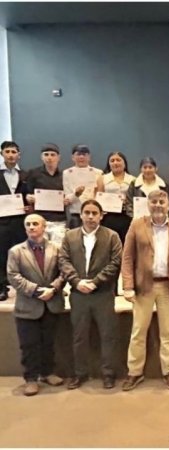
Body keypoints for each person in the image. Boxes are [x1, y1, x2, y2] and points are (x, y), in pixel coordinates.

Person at [121, 190, 169, 391]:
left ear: (168, 205)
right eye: (154, 202)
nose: (158, 205)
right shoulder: (137, 225)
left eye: (162, 201)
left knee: (168, 332)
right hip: (144, 286)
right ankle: (135, 372)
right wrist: (128, 286)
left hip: (168, 286)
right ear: (148, 204)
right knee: (138, 331)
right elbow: (127, 257)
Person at [58, 199, 123, 389]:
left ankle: (108, 374)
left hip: (103, 293)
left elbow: (115, 263)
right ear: (81, 215)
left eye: (95, 213)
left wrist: (95, 282)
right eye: (87, 213)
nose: (90, 216)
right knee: (79, 336)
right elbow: (63, 261)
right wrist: (77, 282)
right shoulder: (69, 237)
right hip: (78, 293)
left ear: (101, 216)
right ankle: (80, 374)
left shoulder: (112, 236)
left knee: (108, 335)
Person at [7, 214, 65, 396]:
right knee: (29, 345)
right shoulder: (16, 251)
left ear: (44, 227)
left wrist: (53, 289)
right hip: (28, 305)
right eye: (28, 224)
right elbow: (13, 276)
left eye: (35, 224)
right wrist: (37, 290)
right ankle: (31, 379)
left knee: (48, 342)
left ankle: (48, 373)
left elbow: (64, 272)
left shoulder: (57, 249)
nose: (31, 227)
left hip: (51, 303)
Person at [0, 141, 29, 302]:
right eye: (7, 152)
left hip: (20, 221)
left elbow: (28, 196)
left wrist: (28, 206)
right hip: (1, 221)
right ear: (2, 154)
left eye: (13, 152)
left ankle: (23, 288)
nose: (11, 155)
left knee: (21, 255)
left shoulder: (25, 175)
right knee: (1, 254)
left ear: (19, 155)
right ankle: (1, 288)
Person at [25, 143, 69, 246]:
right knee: (39, 249)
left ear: (58, 157)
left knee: (58, 249)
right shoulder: (33, 173)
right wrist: (28, 197)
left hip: (59, 220)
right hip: (39, 220)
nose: (49, 158)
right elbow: (26, 193)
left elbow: (69, 194)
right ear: (42, 157)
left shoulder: (65, 175)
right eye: (46, 154)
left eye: (52, 155)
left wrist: (67, 200)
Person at [96, 151, 135, 244]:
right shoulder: (102, 178)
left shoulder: (133, 179)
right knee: (108, 243)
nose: (115, 163)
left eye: (118, 160)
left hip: (127, 216)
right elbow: (99, 198)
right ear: (109, 164)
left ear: (124, 163)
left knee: (126, 243)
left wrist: (127, 200)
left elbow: (135, 200)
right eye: (112, 161)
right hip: (108, 217)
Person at [62, 144, 103, 229]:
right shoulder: (67, 173)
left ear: (89, 157)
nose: (81, 157)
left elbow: (100, 195)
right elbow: (67, 198)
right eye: (78, 154)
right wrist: (76, 194)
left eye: (84, 154)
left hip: (94, 214)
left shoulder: (98, 173)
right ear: (73, 157)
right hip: (76, 214)